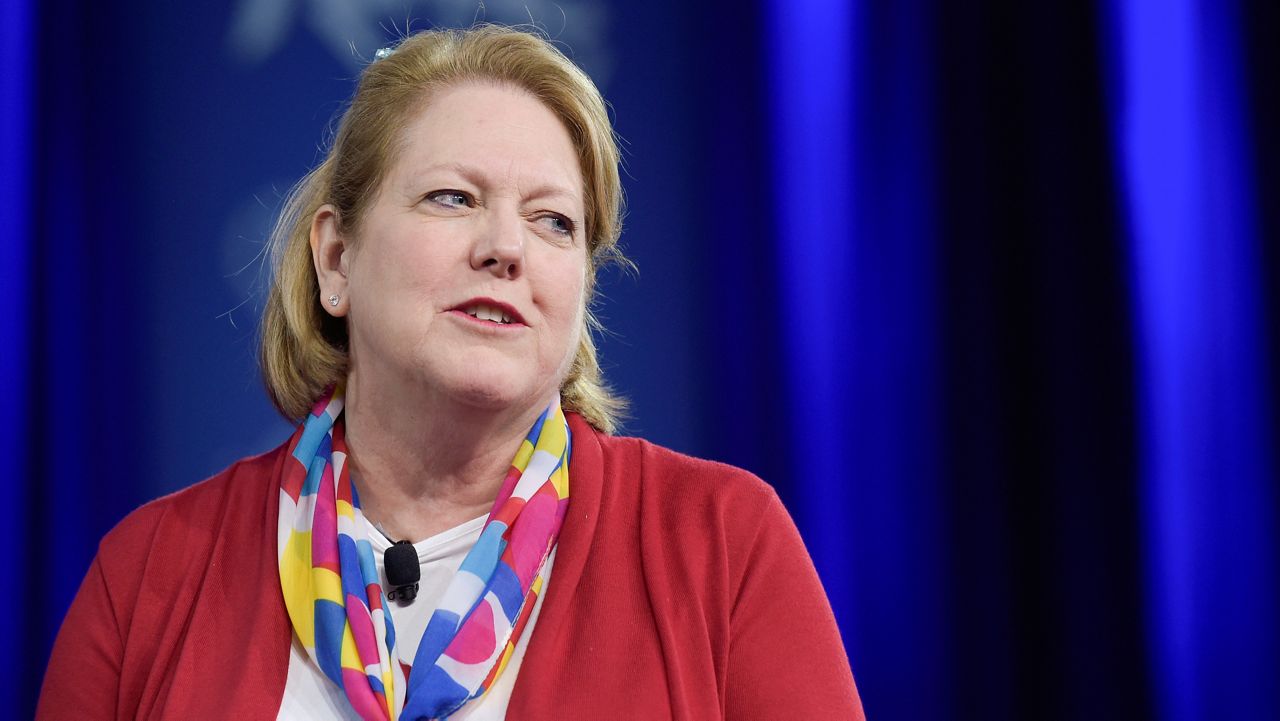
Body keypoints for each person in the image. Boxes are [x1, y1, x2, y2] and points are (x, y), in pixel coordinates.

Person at [37, 25, 864, 721]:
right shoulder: (148, 573)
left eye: (553, 221)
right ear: (336, 257)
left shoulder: (723, 544)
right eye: (453, 199)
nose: (505, 247)